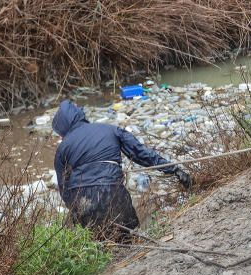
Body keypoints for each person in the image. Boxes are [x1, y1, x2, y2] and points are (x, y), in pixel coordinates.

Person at [52, 100, 191, 239]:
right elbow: (141, 153)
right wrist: (173, 169)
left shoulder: (62, 148)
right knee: (127, 239)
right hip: (113, 193)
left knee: (96, 245)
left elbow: (64, 188)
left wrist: (76, 210)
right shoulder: (110, 129)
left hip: (82, 200)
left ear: (64, 127)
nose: (62, 136)